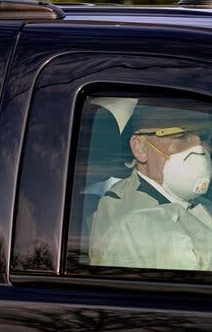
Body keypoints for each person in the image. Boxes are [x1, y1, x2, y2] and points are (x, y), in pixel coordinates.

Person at [89, 101, 212, 270]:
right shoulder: (132, 221)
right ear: (140, 148)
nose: (199, 148)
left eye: (204, 137)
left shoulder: (193, 200)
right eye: (180, 136)